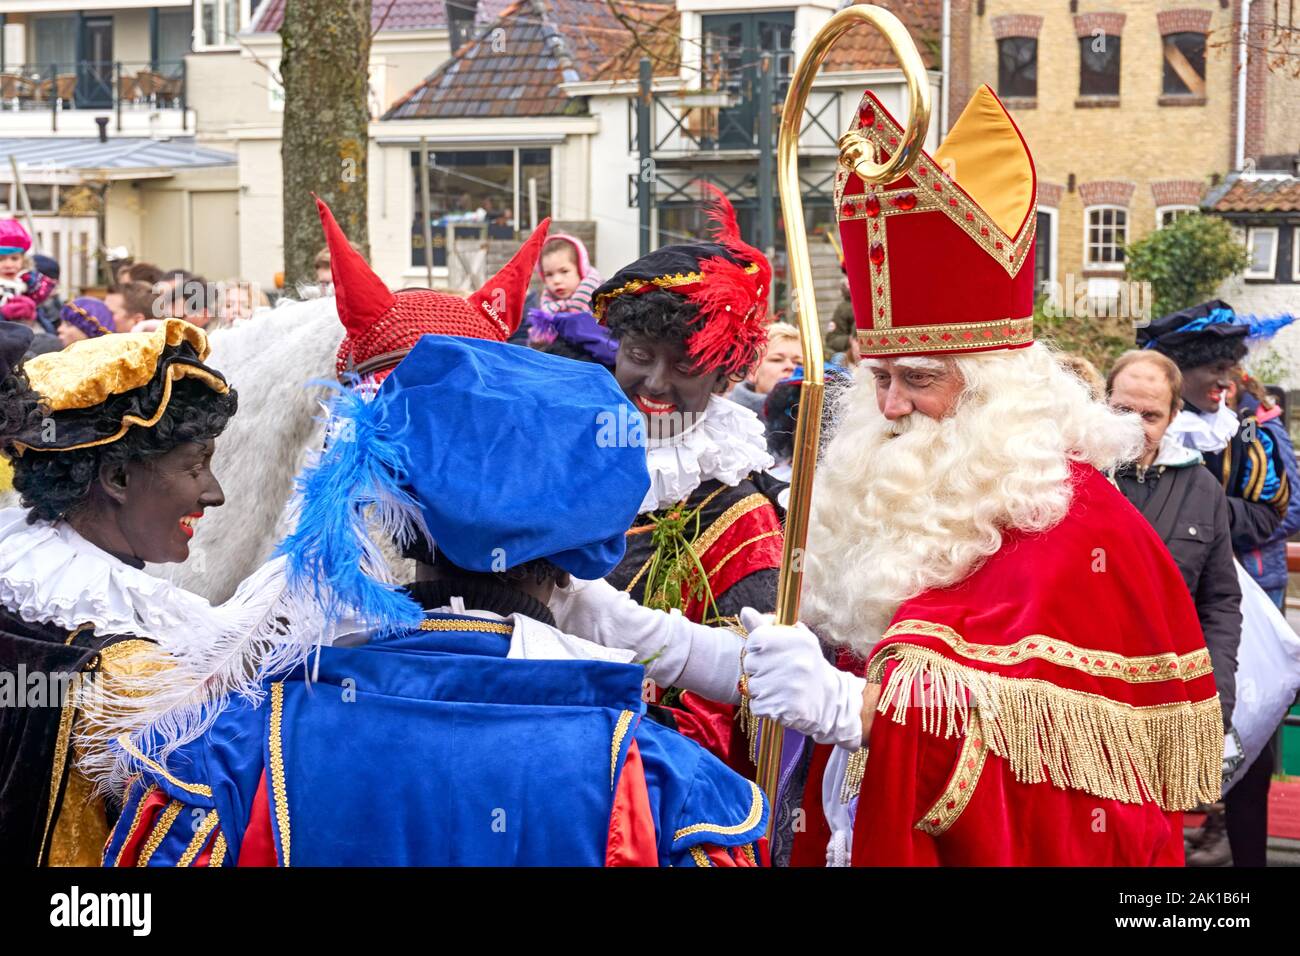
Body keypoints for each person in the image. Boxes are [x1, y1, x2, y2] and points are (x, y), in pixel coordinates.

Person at [559, 86, 1223, 866]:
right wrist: (642, 635)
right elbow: (801, 673)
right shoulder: (905, 500)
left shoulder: (1070, 520)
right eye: (877, 378)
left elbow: (1039, 764)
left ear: (993, 386)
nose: (891, 405)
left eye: (917, 378)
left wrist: (852, 708)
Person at [101, 235, 768, 865]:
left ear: (388, 504)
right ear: (580, 548)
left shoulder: (227, 756)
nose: (654, 385)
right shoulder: (666, 787)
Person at [0, 318, 253, 866]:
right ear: (116, 480)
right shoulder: (134, 672)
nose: (215, 494)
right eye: (196, 466)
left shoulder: (19, 591)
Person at [1105, 351, 1241, 729]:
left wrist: (1218, 695)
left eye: (1150, 416)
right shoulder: (1070, 480)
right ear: (1103, 404)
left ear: (1174, 417)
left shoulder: (1203, 488)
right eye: (1122, 411)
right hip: (1086, 697)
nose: (1134, 427)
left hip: (1171, 698)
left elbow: (1220, 602)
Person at [730, 321, 803, 416]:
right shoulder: (723, 417)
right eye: (777, 360)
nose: (790, 366)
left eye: (799, 362)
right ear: (753, 371)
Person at [0, 220, 57, 335]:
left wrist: (31, 310)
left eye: (14, 258)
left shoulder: (28, 280)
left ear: (23, 260)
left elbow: (42, 301)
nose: (9, 265)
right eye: (1, 259)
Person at [537, 234, 603, 314]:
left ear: (581, 270)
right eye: (549, 274)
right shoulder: (546, 306)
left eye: (564, 271)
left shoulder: (604, 306)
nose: (556, 280)